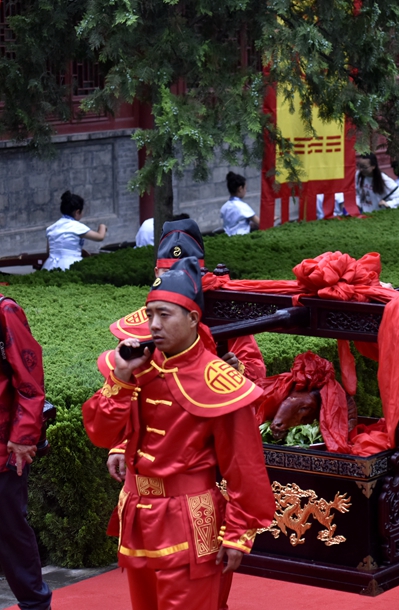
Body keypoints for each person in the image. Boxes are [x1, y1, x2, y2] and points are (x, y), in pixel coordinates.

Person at [83, 257, 275, 610]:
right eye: (150, 313)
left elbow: (244, 465)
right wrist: (121, 379)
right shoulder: (135, 365)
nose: (153, 325)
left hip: (191, 519)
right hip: (138, 513)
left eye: (164, 315)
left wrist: (238, 532)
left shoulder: (218, 381)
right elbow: (99, 432)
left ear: (192, 319)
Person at [106, 218, 267, 471]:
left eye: (182, 274)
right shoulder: (138, 328)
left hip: (205, 449)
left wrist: (235, 373)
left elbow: (256, 371)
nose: (173, 281)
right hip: (148, 457)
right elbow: (123, 391)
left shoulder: (223, 317)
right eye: (167, 273)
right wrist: (119, 445)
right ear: (156, 274)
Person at [0, 294, 52, 610]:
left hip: (5, 445)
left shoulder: (5, 311)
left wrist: (22, 437)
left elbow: (30, 379)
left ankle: (35, 604)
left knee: (9, 529)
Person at [42, 190, 107, 270]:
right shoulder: (77, 227)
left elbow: (49, 251)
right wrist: (102, 226)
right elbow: (100, 237)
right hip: (71, 263)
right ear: (77, 212)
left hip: (51, 264)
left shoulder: (51, 228)